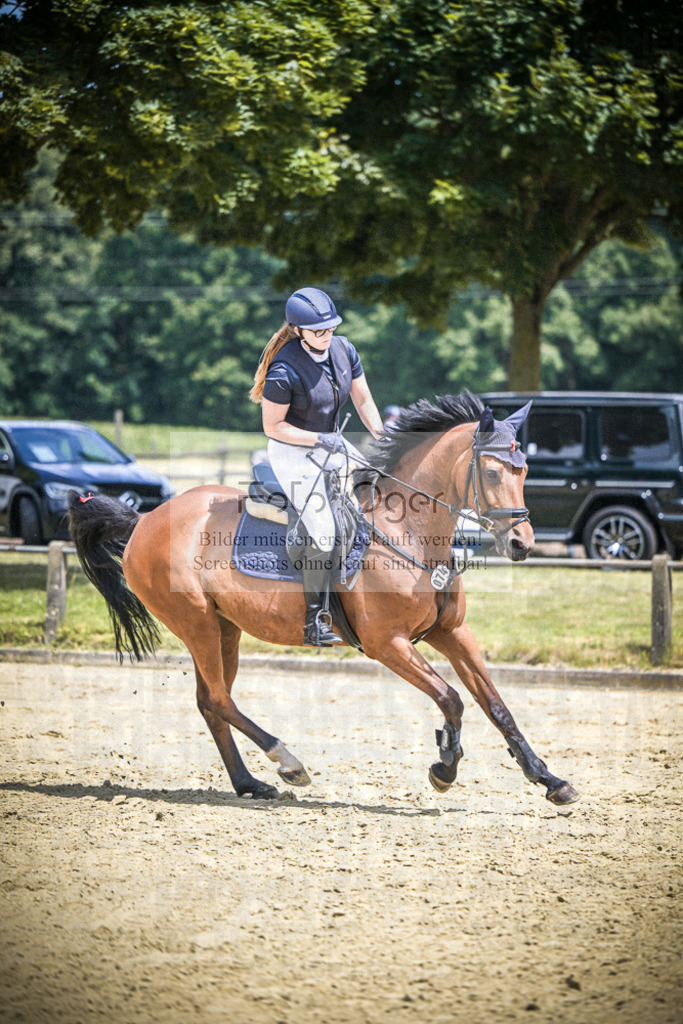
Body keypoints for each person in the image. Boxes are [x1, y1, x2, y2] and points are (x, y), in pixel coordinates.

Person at [250, 286, 384, 646]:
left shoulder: (344, 350)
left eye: (331, 329)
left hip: (332, 444)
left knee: (376, 496)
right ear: (297, 330)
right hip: (292, 451)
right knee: (324, 530)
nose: (327, 336)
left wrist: (384, 438)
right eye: (318, 331)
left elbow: (363, 398)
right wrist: (320, 440)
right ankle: (315, 620)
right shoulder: (283, 370)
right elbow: (273, 427)